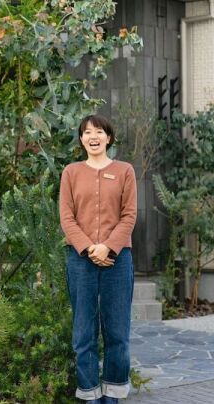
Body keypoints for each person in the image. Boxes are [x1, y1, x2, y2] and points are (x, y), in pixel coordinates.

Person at [59, 114, 137, 404]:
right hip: (81, 260)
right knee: (84, 333)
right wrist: (91, 249)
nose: (93, 136)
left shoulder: (125, 171)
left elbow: (129, 215)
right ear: (81, 139)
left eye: (99, 131)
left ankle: (112, 395)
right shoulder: (71, 172)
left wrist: (108, 248)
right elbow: (67, 217)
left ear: (109, 137)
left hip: (118, 260)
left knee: (117, 332)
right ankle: (90, 395)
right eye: (87, 132)